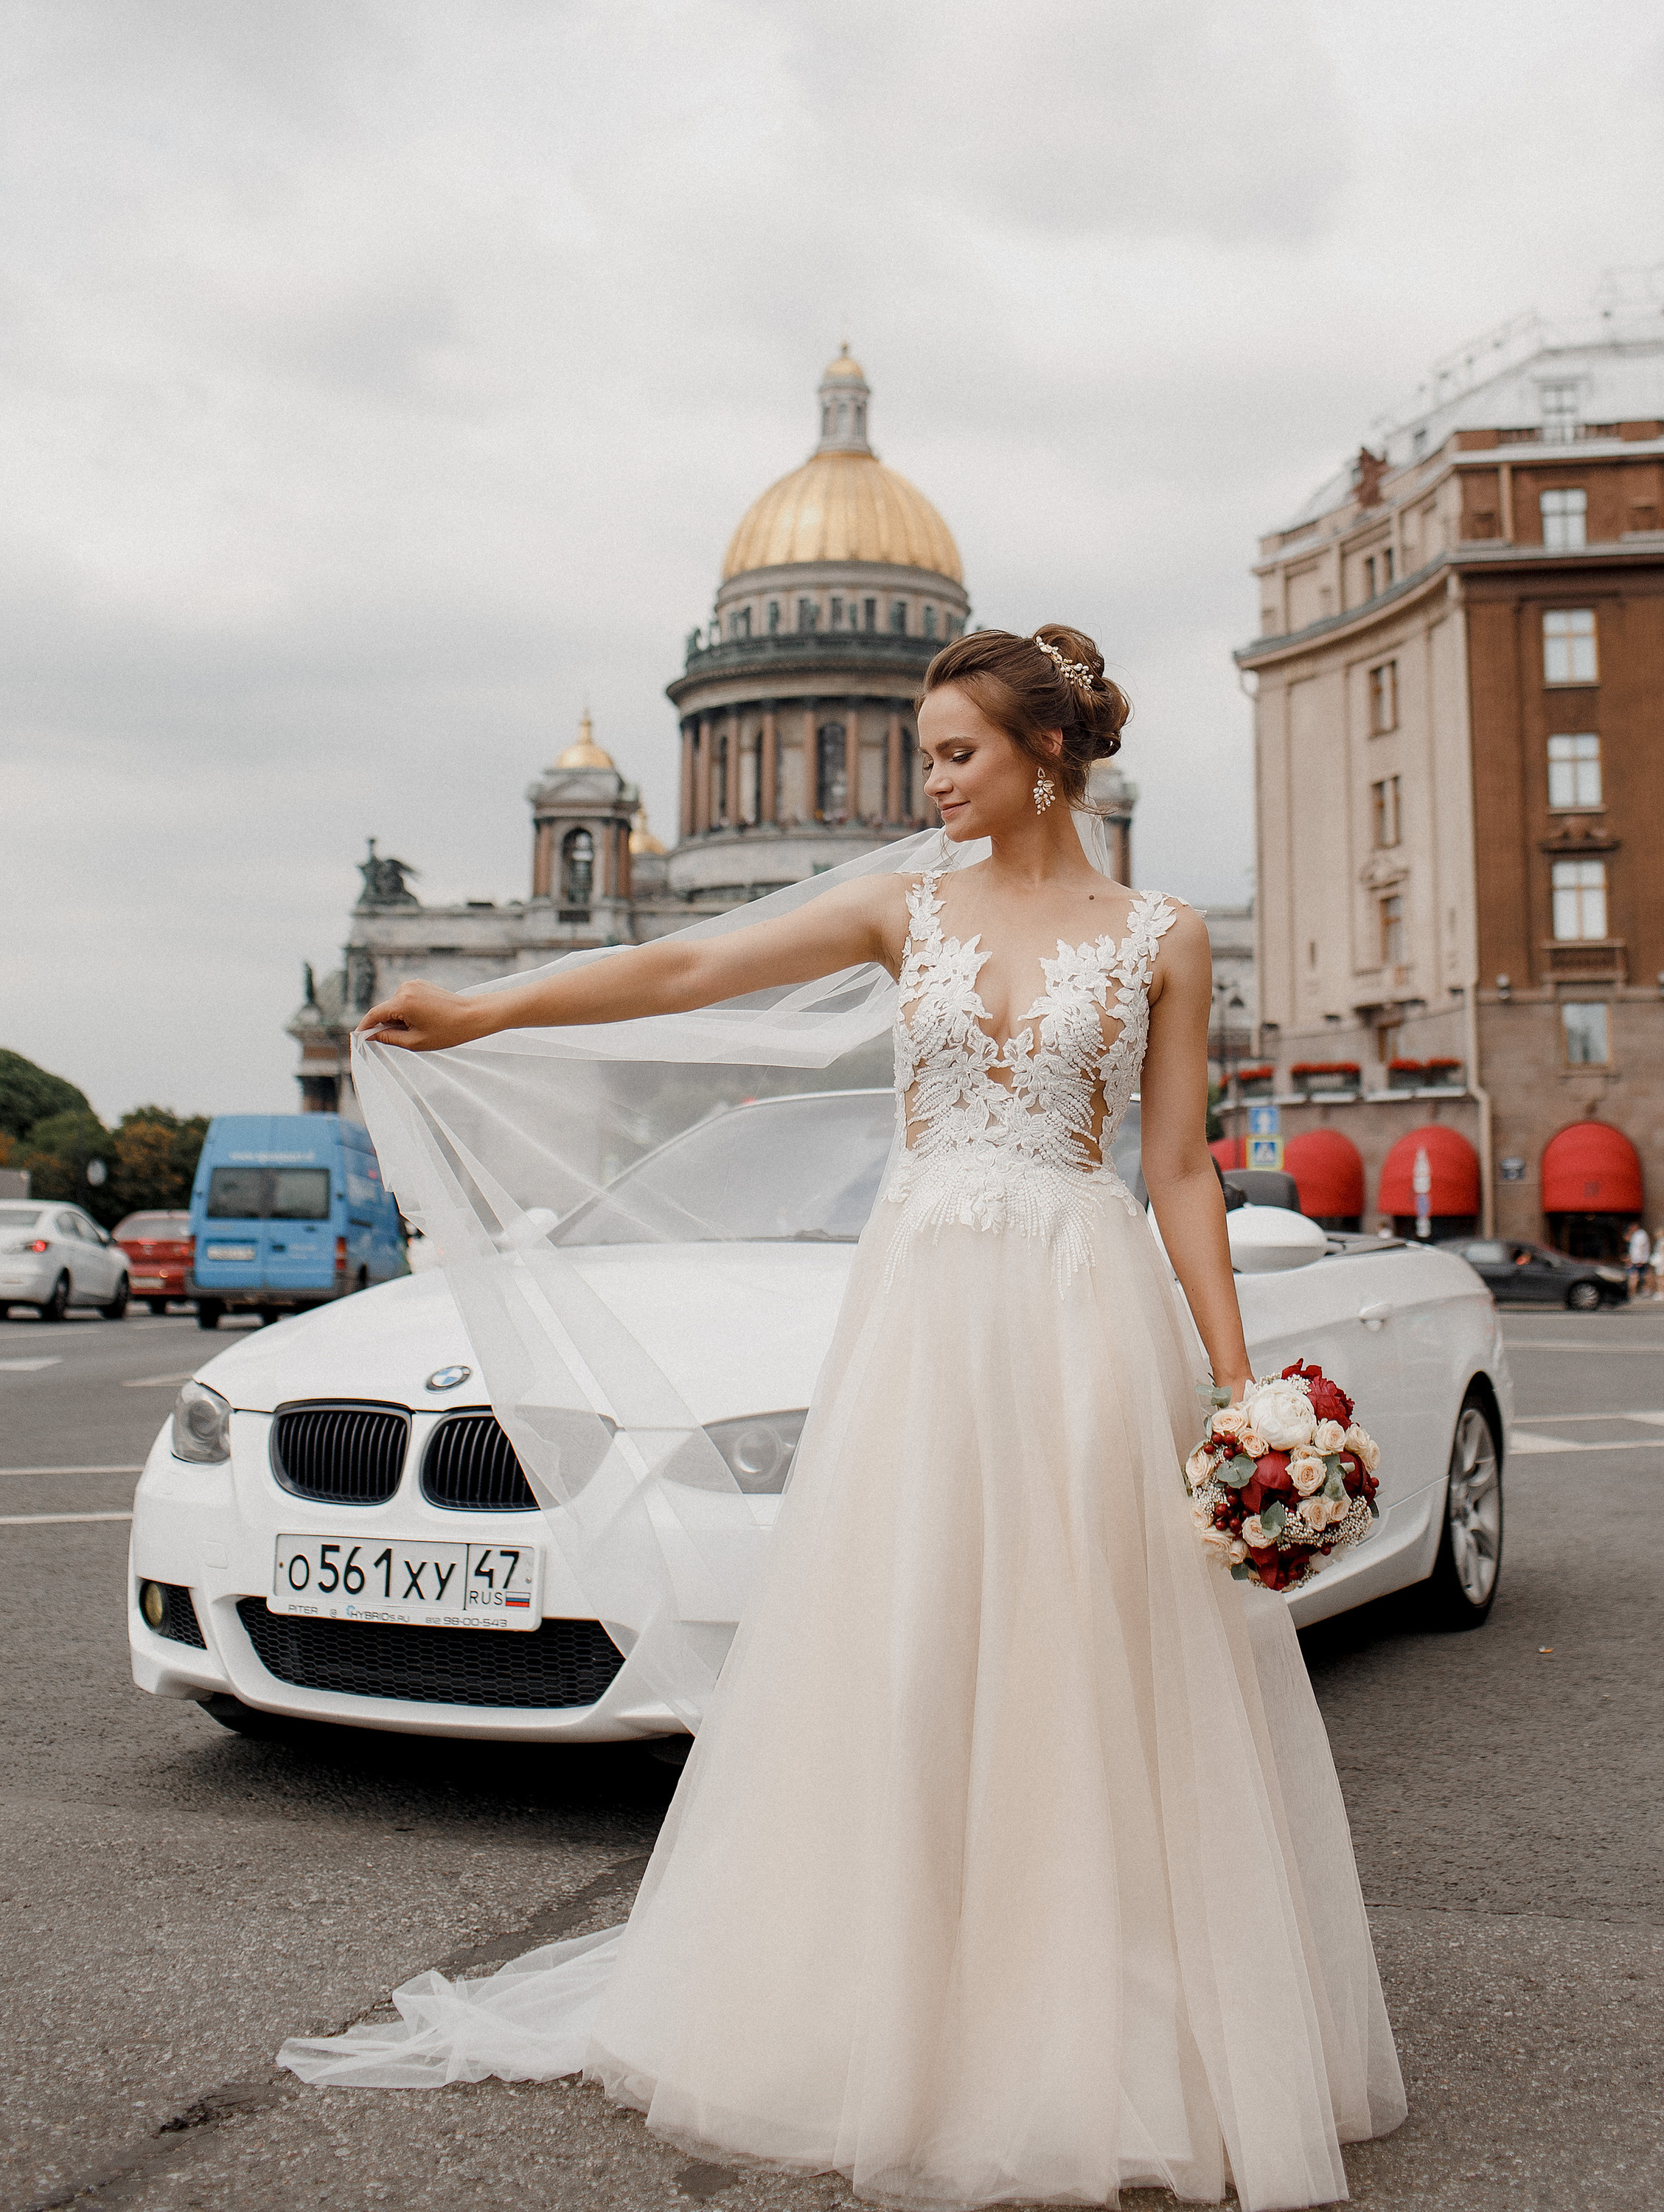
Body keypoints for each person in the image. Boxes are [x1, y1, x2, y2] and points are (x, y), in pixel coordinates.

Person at [279, 624, 1404, 2206]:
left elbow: (1173, 1169)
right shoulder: (900, 908)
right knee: (909, 1637)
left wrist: (1240, 1382)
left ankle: (1093, 2017)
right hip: (926, 1315)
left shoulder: (1162, 933)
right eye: (922, 753)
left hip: (1086, 1313)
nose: (924, 782)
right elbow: (680, 968)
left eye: (954, 753)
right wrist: (484, 1011)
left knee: (1083, 1652)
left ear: (1047, 757)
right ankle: (886, 2007)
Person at [1626, 1222, 1651, 1298]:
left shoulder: (1641, 1235)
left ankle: (1632, 1293)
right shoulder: (1635, 1235)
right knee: (1643, 1275)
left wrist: (1640, 1260)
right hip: (1636, 1259)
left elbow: (1641, 1248)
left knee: (1635, 1276)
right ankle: (1644, 1290)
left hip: (1639, 1260)